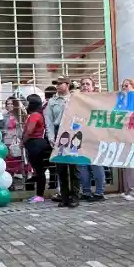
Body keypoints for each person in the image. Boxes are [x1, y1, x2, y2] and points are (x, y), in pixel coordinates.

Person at [46, 77, 79, 207]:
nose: (58, 86)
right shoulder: (52, 101)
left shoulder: (75, 99)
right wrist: (51, 137)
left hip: (73, 132)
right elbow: (48, 120)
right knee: (61, 168)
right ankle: (64, 197)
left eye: (60, 84)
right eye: (56, 84)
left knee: (74, 167)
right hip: (58, 130)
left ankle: (75, 196)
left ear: (68, 84)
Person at [76, 77, 107, 201]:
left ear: (93, 87)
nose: (85, 86)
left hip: (96, 137)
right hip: (80, 137)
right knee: (82, 166)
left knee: (96, 165)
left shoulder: (99, 101)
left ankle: (99, 192)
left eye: (88, 84)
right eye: (83, 84)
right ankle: (86, 192)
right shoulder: (76, 101)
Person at [117, 78, 134, 200]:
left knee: (133, 163)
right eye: (123, 86)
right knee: (126, 163)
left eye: (127, 86)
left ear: (133, 87)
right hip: (124, 134)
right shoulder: (121, 101)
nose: (124, 88)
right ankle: (129, 190)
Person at [23, 94, 52, 203]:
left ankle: (40, 195)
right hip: (37, 144)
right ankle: (39, 195)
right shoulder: (37, 114)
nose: (25, 104)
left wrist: (23, 141)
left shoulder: (35, 115)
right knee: (39, 171)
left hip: (36, 145)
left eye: (27, 102)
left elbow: (29, 131)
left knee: (39, 171)